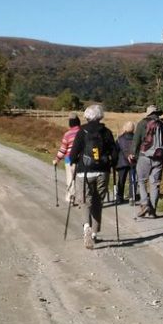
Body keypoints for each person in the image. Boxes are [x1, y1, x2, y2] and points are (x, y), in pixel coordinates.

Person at [69, 104, 116, 249]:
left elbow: (72, 154)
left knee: (85, 201)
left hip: (84, 172)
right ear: (100, 116)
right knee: (98, 201)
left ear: (87, 116)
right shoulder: (106, 132)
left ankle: (86, 226)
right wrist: (111, 165)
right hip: (102, 171)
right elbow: (114, 153)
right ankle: (94, 233)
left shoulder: (82, 131)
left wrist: (74, 161)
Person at [131, 105, 163, 218]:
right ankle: (152, 210)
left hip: (144, 156)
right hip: (159, 157)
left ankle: (145, 204)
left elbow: (136, 141)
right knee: (155, 183)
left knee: (141, 181)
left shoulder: (142, 123)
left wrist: (134, 155)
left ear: (148, 113)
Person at [52, 112, 81, 206]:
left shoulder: (67, 134)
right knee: (81, 180)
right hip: (82, 160)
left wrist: (57, 159)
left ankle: (71, 198)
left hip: (69, 160)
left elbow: (63, 149)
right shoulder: (83, 132)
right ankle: (82, 200)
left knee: (70, 179)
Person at [114, 121, 136, 204]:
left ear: (124, 128)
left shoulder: (120, 139)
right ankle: (132, 197)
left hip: (122, 162)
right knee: (133, 180)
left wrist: (114, 162)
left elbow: (115, 151)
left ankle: (119, 197)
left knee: (121, 180)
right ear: (133, 128)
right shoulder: (136, 138)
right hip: (133, 162)